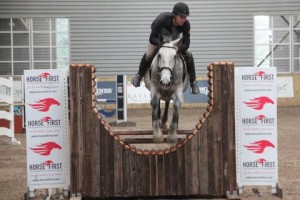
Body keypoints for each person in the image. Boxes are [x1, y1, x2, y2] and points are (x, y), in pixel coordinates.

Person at [131, 2, 199, 94]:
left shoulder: (186, 25)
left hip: (176, 39)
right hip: (159, 38)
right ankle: (139, 75)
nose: (183, 19)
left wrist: (179, 48)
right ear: (174, 15)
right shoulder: (162, 19)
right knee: (149, 54)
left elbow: (186, 43)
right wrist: (161, 44)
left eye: (185, 17)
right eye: (181, 16)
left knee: (189, 54)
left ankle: (193, 82)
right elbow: (152, 38)